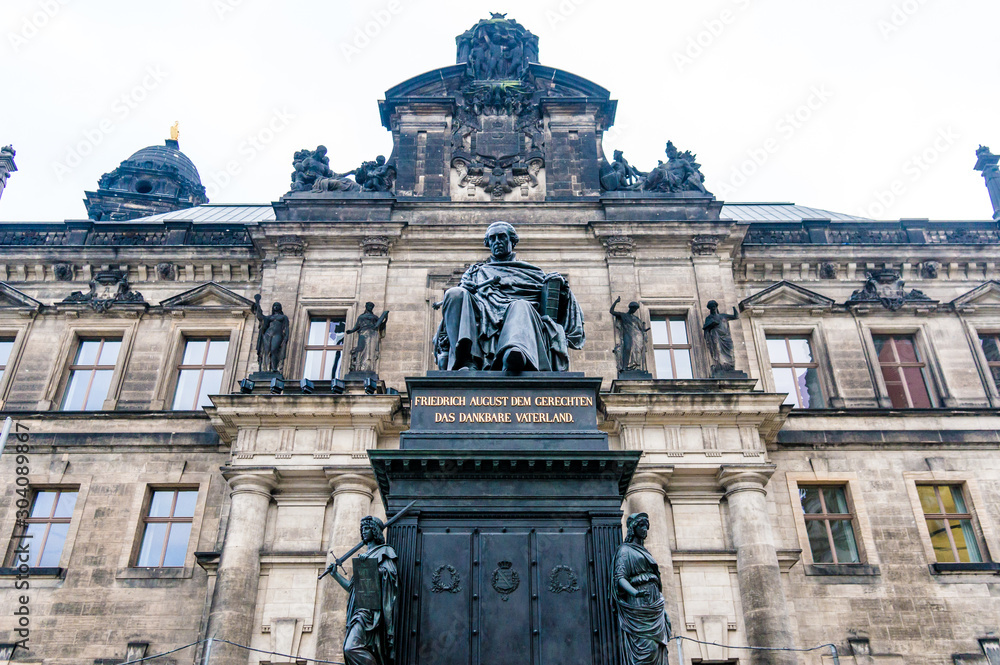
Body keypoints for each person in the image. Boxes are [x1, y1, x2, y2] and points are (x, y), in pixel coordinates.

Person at [433, 221, 585, 371]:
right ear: (488, 243)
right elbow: (459, 303)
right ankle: (466, 360)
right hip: (483, 314)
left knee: (520, 305)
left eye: (501, 237)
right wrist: (466, 289)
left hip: (521, 316)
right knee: (454, 293)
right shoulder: (475, 272)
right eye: (492, 239)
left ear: (512, 241)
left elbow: (553, 307)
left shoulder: (533, 272)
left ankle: (514, 354)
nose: (497, 242)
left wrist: (562, 290)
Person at [326, 516, 398, 665]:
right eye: (362, 529)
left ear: (375, 530)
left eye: (367, 528)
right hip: (358, 611)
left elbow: (390, 575)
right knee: (350, 649)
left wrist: (370, 566)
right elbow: (353, 589)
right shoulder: (364, 557)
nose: (363, 532)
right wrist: (335, 575)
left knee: (350, 648)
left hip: (372, 612)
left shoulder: (384, 551)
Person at [613, 513, 671, 665]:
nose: (645, 529)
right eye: (641, 525)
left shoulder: (645, 552)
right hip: (638, 605)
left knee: (658, 647)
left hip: (654, 604)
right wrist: (635, 592)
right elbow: (620, 578)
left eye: (646, 526)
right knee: (648, 647)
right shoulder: (625, 550)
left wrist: (662, 609)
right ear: (633, 528)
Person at [346, 302, 389, 374]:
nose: (370, 307)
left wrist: (385, 318)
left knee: (370, 350)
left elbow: (381, 325)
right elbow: (357, 326)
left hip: (372, 333)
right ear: (366, 306)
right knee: (361, 348)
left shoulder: (374, 317)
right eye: (369, 306)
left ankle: (367, 367)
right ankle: (359, 367)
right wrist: (351, 331)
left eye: (372, 306)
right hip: (363, 333)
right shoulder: (361, 316)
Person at [610, 296, 649, 373]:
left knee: (637, 350)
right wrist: (616, 302)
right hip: (627, 334)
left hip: (637, 335)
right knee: (627, 348)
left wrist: (644, 331)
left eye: (635, 309)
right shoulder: (623, 315)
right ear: (630, 308)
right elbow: (612, 311)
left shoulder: (636, 319)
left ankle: (635, 366)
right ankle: (625, 366)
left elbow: (641, 328)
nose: (634, 310)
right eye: (633, 308)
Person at [252, 296, 289, 373]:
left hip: (278, 334)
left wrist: (286, 338)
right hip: (268, 334)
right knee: (266, 351)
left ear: (280, 307)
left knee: (274, 349)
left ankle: (274, 367)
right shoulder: (269, 317)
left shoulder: (283, 317)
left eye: (278, 305)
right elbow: (260, 317)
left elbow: (286, 327)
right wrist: (257, 303)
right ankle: (266, 369)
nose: (276, 306)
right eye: (274, 305)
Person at [702, 300, 739, 372]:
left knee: (730, 352)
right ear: (709, 308)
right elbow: (705, 328)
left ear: (716, 307)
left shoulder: (723, 316)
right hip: (716, 336)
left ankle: (730, 366)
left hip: (725, 337)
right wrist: (711, 324)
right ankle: (721, 365)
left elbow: (736, 316)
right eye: (711, 307)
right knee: (717, 350)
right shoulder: (709, 318)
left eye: (714, 306)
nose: (713, 308)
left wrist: (734, 307)